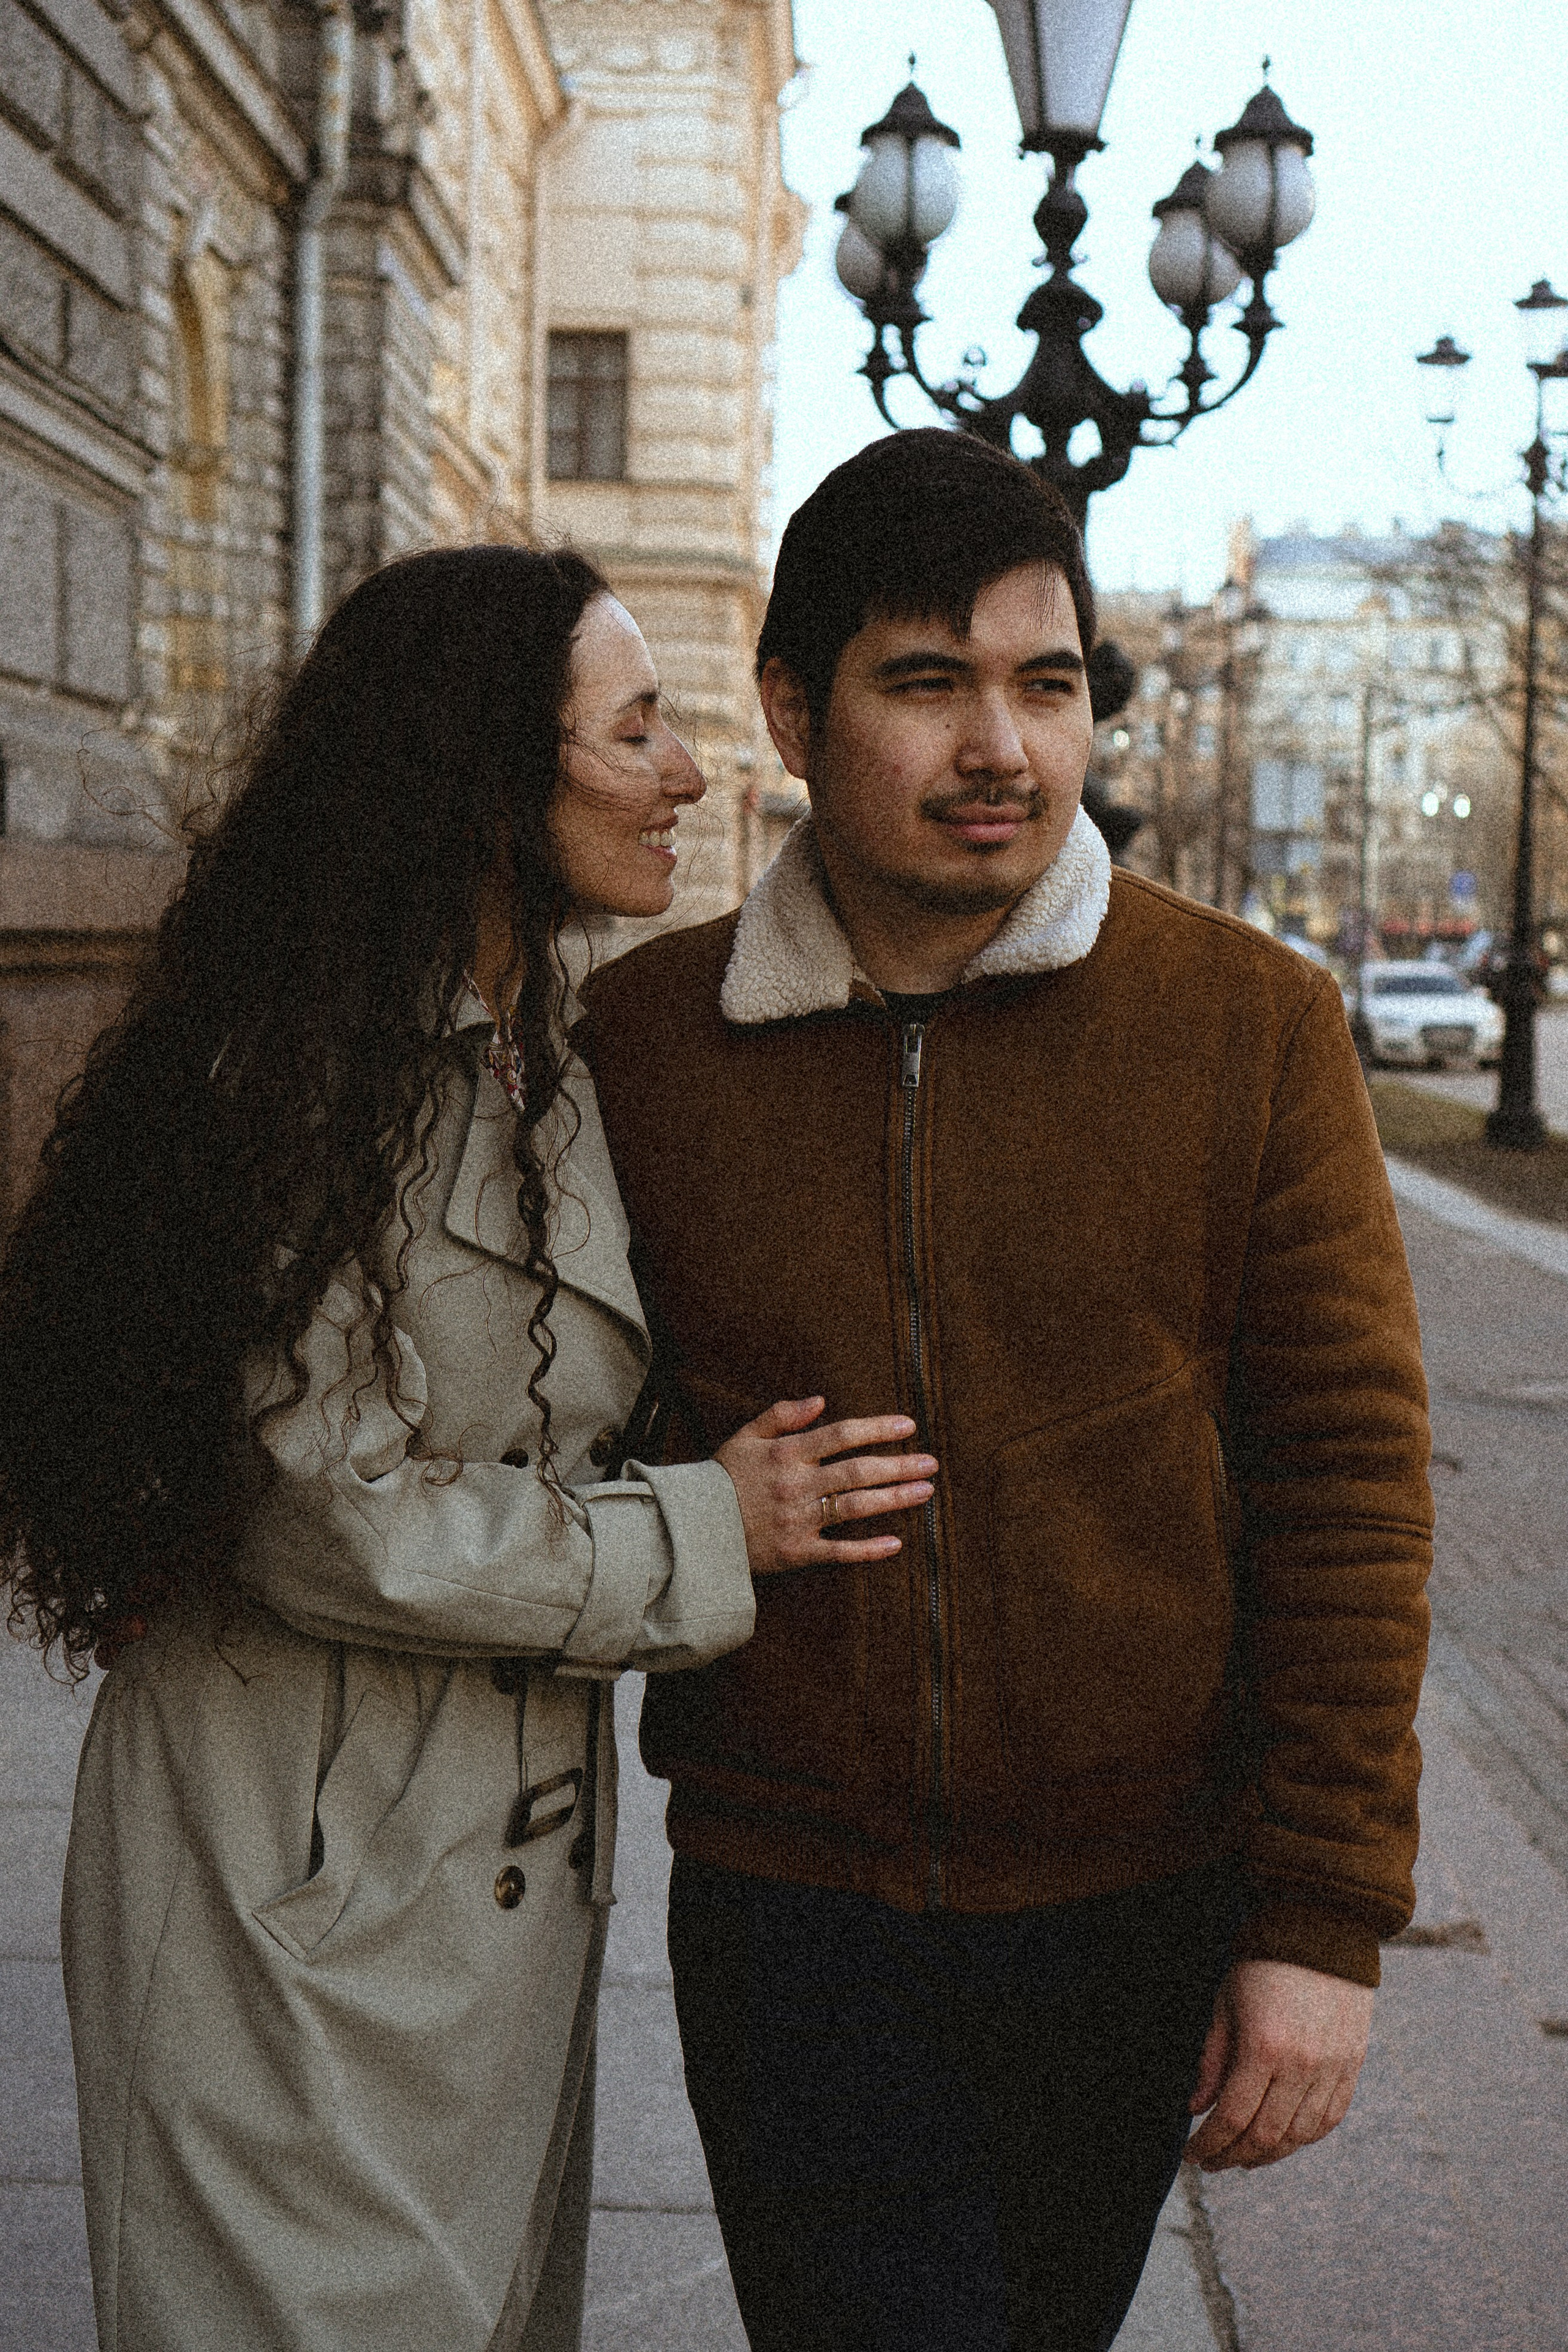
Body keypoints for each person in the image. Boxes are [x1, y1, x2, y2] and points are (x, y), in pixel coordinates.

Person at [0, 546, 938, 2352]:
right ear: (487, 774)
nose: (691, 772)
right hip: (293, 1869)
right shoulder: (296, 1072)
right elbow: (316, 1511)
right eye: (638, 729)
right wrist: (706, 1530)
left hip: (492, 1875)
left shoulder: (552, 1056)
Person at [578, 432, 1434, 2352]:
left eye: (1048, 687)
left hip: (1133, 1905)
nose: (1005, 749)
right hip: (790, 1903)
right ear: (796, 710)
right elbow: (557, 1429)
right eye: (928, 682)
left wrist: (1318, 1922)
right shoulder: (648, 1042)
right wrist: (694, 1498)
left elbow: (1353, 1487)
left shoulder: (1249, 1028)